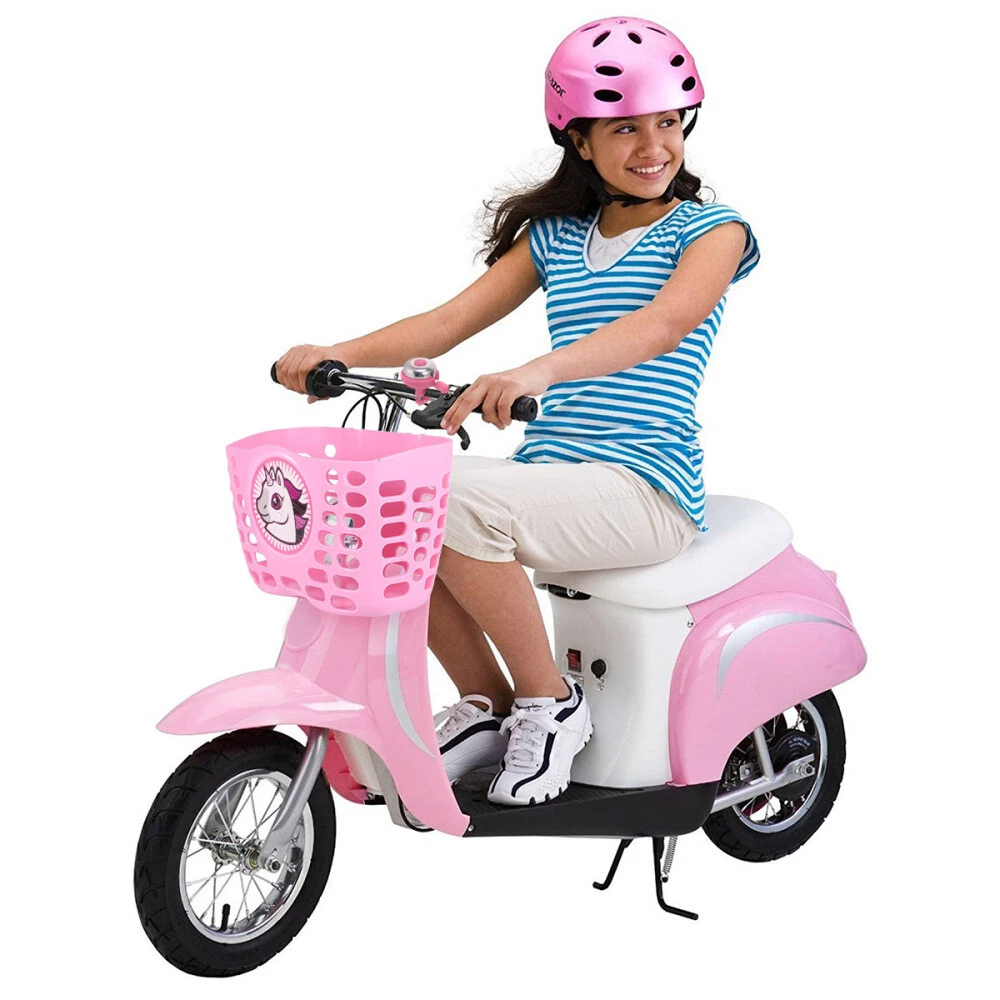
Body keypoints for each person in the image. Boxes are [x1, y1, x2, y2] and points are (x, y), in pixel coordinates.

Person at [275, 16, 760, 807]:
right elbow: (446, 323)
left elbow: (662, 325)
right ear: (580, 141)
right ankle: (494, 705)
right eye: (626, 128)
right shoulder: (556, 236)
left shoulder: (714, 230)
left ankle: (551, 703)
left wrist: (536, 369)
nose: (654, 147)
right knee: (393, 506)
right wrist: (335, 353)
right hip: (554, 477)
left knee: (446, 496)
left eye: (669, 123)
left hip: (647, 485)